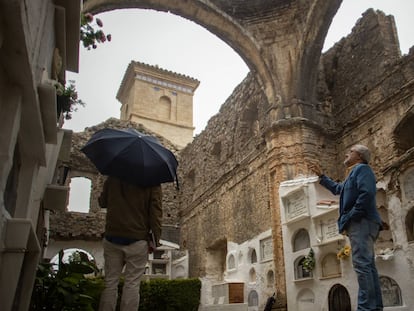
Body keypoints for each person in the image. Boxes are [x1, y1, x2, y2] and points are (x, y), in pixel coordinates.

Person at [311, 144, 383, 311]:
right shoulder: (353, 175)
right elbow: (338, 189)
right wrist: (321, 176)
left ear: (359, 155)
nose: (346, 154)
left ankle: (366, 308)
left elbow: (367, 193)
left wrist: (352, 216)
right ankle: (374, 307)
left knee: (362, 265)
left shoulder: (362, 169)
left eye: (350, 151)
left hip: (362, 222)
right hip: (363, 221)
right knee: (367, 265)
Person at [98, 176, 162, 311]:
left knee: (110, 283)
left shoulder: (113, 176)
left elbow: (102, 202)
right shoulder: (152, 181)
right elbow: (155, 212)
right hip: (137, 238)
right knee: (132, 284)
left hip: (112, 236)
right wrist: (156, 239)